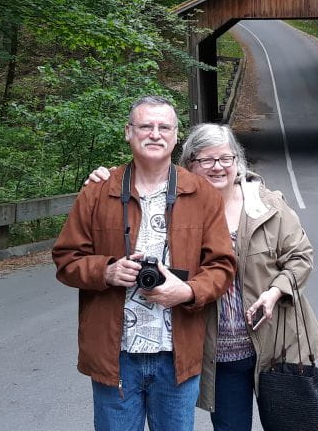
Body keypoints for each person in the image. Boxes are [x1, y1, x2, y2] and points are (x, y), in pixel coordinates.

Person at [86, 122, 318, 431]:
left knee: (291, 426)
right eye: (207, 160)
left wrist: (275, 291)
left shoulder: (266, 204)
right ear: (189, 164)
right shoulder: (174, 207)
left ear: (237, 161)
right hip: (219, 354)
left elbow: (301, 257)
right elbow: (134, 196)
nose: (218, 167)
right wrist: (102, 181)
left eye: (226, 158)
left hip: (276, 345)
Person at [53, 96, 236, 431]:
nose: (155, 133)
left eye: (164, 126)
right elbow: (65, 259)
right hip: (115, 356)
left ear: (176, 135)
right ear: (128, 132)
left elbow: (222, 266)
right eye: (145, 126)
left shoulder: (201, 194)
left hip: (177, 356)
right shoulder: (98, 191)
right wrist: (105, 271)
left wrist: (187, 291)